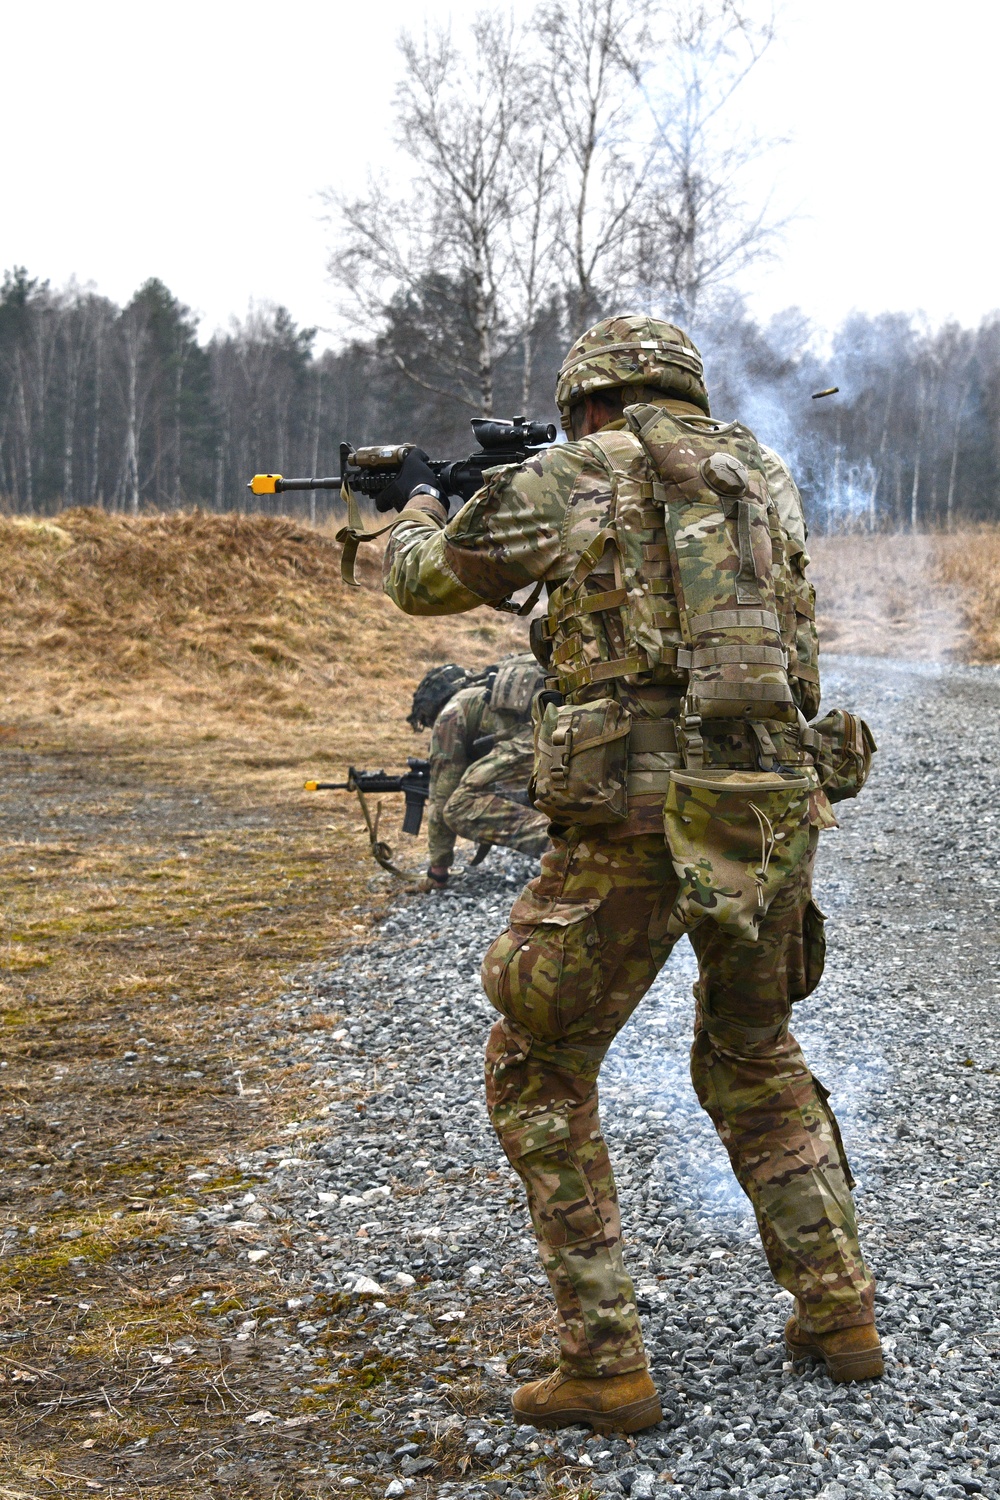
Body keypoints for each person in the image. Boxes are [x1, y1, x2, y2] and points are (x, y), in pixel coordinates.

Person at [374, 315, 882, 1435]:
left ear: (589, 402)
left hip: (632, 816)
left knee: (537, 1063)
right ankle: (841, 1315)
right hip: (771, 806)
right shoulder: (763, 474)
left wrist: (413, 506)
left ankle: (605, 1363)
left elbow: (424, 583)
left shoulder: (579, 469)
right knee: (753, 1048)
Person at [408, 657, 551, 887]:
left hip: (538, 742)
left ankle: (562, 845)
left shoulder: (450, 714)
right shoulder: (481, 695)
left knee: (458, 807)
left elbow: (442, 797)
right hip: (559, 736)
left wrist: (438, 870)